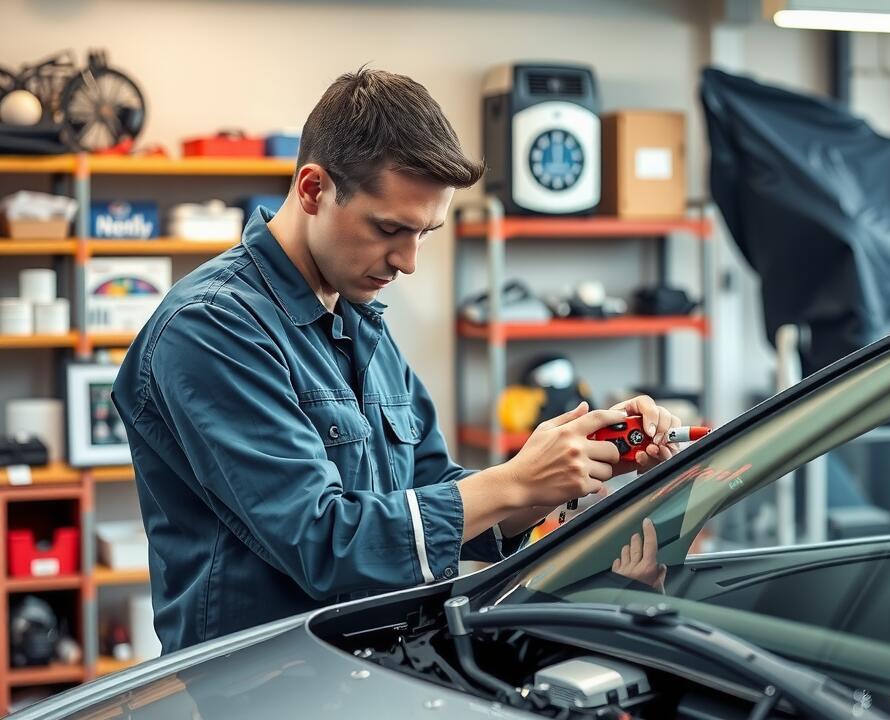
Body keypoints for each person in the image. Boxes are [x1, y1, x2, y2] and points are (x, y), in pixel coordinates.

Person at [112, 67, 681, 652]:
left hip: (375, 662)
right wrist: (514, 481)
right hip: (260, 679)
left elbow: (432, 492)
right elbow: (321, 542)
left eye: (425, 232)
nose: (408, 261)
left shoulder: (360, 319)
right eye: (389, 228)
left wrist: (562, 471)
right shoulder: (212, 327)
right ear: (312, 190)